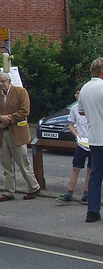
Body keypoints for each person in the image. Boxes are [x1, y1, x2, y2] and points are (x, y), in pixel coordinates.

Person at [0, 70, 41, 202]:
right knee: (6, 165)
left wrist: (9, 119)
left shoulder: (20, 92)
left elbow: (25, 111)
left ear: (9, 81)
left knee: (23, 162)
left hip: (17, 133)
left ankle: (33, 187)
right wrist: (0, 118)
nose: (1, 84)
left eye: (3, 81)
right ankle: (8, 191)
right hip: (2, 134)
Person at [56, 85, 91, 204]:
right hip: (81, 143)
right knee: (76, 167)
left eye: (78, 93)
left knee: (91, 169)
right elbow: (71, 124)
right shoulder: (75, 108)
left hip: (93, 142)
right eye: (76, 93)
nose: (76, 96)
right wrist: (76, 135)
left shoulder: (92, 106)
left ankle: (87, 193)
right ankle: (69, 192)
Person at [79, 57, 103, 223]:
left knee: (95, 176)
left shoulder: (85, 88)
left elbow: (80, 112)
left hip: (94, 138)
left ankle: (92, 211)